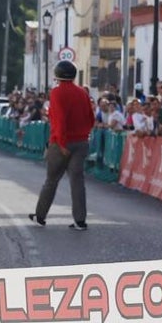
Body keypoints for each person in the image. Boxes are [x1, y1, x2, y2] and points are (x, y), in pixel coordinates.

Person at [31, 60, 95, 230]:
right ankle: (80, 220)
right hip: (81, 141)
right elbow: (91, 117)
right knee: (77, 181)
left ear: (57, 75)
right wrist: (85, 135)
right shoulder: (82, 92)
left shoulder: (57, 93)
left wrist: (61, 142)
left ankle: (40, 216)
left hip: (62, 143)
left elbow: (59, 120)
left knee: (51, 180)